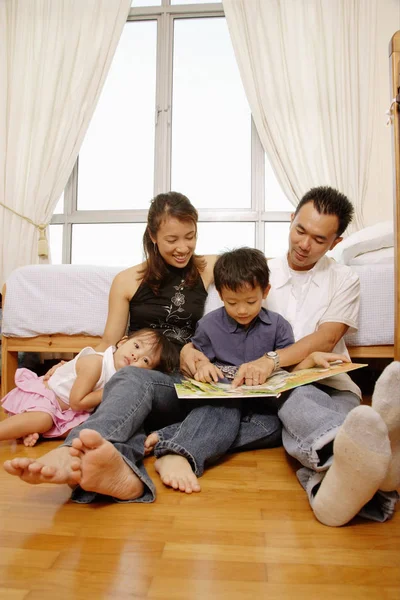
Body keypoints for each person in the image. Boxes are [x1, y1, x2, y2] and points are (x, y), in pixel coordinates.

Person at [153, 186, 399, 525]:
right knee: (280, 411)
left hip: (327, 386)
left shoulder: (345, 278)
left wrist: (272, 361)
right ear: (291, 220)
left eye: (318, 239)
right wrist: (190, 355)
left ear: (336, 243)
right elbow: (211, 327)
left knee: (297, 404)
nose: (304, 244)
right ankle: (367, 469)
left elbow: (327, 337)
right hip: (263, 396)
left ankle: (337, 475)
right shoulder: (256, 275)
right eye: (300, 230)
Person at [4, 191, 218, 500]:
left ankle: (73, 454)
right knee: (127, 382)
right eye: (172, 239)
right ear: (153, 236)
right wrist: (74, 364)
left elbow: (252, 268)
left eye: (190, 237)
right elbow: (108, 341)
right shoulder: (127, 280)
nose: (183, 248)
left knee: (133, 383)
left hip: (180, 380)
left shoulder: (206, 267)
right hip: (136, 376)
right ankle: (113, 470)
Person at [146, 247, 295, 481]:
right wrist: (201, 367)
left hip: (259, 407)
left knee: (275, 428)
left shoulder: (278, 326)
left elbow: (287, 361)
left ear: (265, 291)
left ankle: (173, 434)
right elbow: (195, 359)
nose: (242, 310)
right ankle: (178, 454)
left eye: (250, 301)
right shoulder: (208, 325)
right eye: (232, 302)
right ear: (221, 295)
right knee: (225, 408)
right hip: (221, 406)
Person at [0, 329, 179, 447]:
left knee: (89, 430)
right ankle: (20, 427)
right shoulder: (96, 363)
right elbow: (77, 402)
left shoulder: (120, 374)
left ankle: (28, 429)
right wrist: (111, 390)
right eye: (137, 346)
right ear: (122, 342)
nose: (135, 355)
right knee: (43, 419)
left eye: (145, 360)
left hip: (66, 411)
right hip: (46, 396)